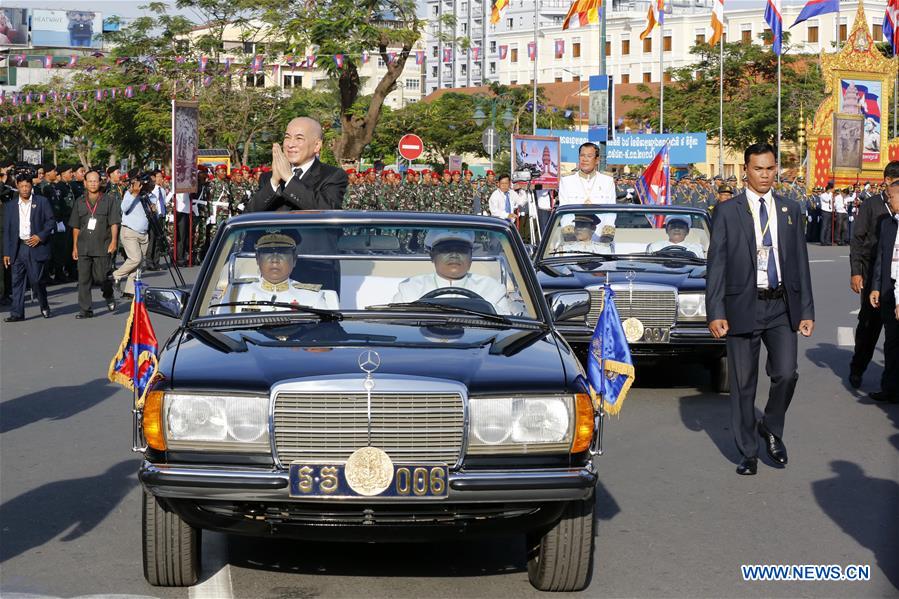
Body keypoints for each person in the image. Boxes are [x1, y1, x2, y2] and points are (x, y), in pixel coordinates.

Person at [706, 142, 815, 475]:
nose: (765, 175)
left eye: (770, 169)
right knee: (743, 383)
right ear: (745, 171)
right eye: (758, 169)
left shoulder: (790, 209)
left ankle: (770, 425)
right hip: (742, 305)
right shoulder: (727, 211)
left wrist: (806, 310)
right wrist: (716, 311)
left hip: (780, 305)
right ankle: (748, 452)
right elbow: (717, 264)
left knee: (786, 372)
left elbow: (799, 261)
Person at [848, 161, 898, 391]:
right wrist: (856, 271)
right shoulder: (871, 205)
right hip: (872, 275)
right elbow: (858, 239)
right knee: (868, 326)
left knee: (894, 335)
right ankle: (857, 369)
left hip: (895, 278)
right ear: (888, 180)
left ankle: (890, 383)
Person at [393, 229, 515, 315]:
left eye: (462, 250)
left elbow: (503, 328)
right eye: (446, 250)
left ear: (471, 256)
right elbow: (397, 325)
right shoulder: (410, 289)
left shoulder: (492, 289)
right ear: (432, 256)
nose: (454, 255)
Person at [246, 117, 347, 212]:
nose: (290, 145)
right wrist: (274, 182)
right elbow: (247, 217)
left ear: (317, 145)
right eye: (287, 138)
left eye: (299, 138)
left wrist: (289, 179)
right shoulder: (268, 178)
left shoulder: (333, 175)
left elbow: (328, 210)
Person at [227, 232, 338, 311]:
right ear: (257, 259)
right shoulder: (237, 293)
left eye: (283, 253)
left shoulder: (312, 296)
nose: (274, 260)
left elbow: (328, 333)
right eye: (267, 253)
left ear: (294, 260)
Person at [3, 170, 56, 321]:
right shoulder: (10, 206)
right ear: (17, 187)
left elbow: (50, 221)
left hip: (35, 245)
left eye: (27, 186)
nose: (25, 189)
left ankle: (44, 304)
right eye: (22, 186)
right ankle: (17, 313)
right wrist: (6, 252)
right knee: (17, 281)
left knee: (36, 280)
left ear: (31, 186)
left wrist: (40, 236)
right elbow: (7, 231)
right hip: (18, 247)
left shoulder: (41, 201)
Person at [867, 173, 899, 403]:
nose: (887, 200)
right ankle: (890, 389)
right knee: (891, 343)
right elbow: (881, 258)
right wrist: (876, 287)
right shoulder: (888, 224)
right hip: (888, 291)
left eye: (891, 196)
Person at [69, 170, 119, 318]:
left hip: (102, 245)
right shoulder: (79, 201)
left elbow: (114, 223)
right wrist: (75, 246)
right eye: (89, 181)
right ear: (85, 183)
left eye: (95, 181)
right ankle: (86, 310)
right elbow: (76, 226)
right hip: (84, 246)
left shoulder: (109, 200)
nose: (92, 183)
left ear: (100, 182)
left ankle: (108, 294)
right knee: (83, 279)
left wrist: (114, 241)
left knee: (102, 277)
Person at [112, 174, 150, 297]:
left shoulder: (145, 196)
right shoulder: (129, 194)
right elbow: (123, 207)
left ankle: (130, 290)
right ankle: (116, 275)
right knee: (135, 259)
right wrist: (134, 193)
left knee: (139, 264)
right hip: (130, 232)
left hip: (143, 233)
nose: (142, 185)